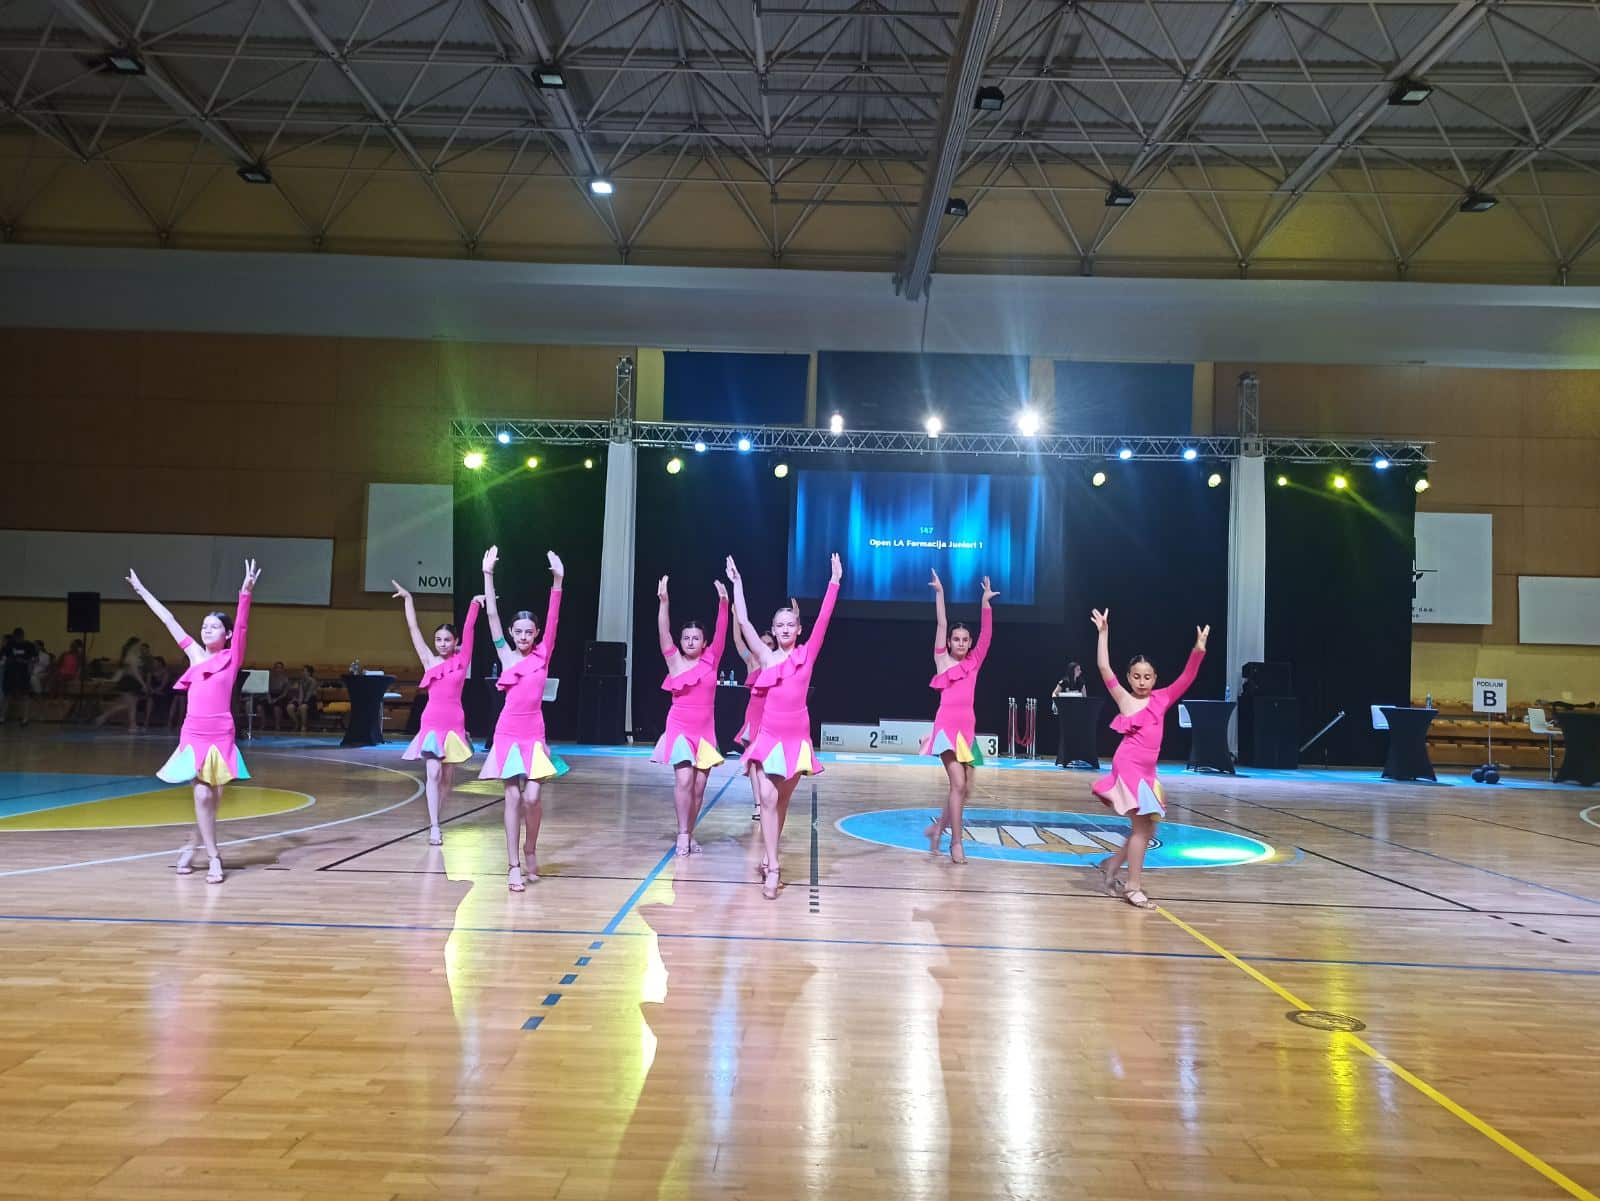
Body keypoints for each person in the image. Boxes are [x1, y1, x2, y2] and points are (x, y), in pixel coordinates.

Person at [129, 559, 261, 885]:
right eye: (204, 625)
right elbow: (168, 620)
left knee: (212, 800)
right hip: (194, 733)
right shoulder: (194, 655)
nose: (206, 629)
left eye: (214, 626)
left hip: (221, 733)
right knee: (203, 797)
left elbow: (243, 626)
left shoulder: (232, 658)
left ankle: (190, 846)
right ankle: (215, 858)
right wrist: (142, 590)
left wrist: (245, 593)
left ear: (226, 634)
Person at [727, 552, 842, 901]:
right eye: (780, 625)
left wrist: (834, 581)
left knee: (781, 802)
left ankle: (770, 852)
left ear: (798, 629)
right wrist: (737, 584)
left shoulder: (807, 655)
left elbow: (825, 618)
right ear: (774, 630)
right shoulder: (765, 657)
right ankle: (774, 867)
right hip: (769, 735)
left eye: (791, 624)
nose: (786, 629)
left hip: (796, 738)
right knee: (767, 797)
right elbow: (744, 620)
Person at [1089, 608, 1208, 910]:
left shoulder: (1163, 698)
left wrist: (1198, 649)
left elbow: (1188, 676)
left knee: (1146, 829)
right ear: (1129, 678)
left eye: (1147, 676)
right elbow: (1103, 667)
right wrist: (1103, 633)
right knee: (1143, 829)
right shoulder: (1124, 699)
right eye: (1136, 676)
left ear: (1155, 678)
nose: (1142, 681)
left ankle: (1112, 866)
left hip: (1148, 772)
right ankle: (1133, 887)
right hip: (1128, 766)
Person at [480, 546, 567, 893]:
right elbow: (491, 616)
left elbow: (555, 616)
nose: (523, 637)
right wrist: (488, 574)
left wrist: (558, 581)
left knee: (532, 798)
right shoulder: (505, 654)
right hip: (507, 732)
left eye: (529, 632)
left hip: (533, 733)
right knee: (513, 797)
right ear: (512, 633)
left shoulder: (544, 654)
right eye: (518, 632)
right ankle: (513, 865)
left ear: (536, 633)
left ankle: (531, 848)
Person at [393, 580, 483, 846]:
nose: (442, 644)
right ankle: (434, 826)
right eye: (438, 640)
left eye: (447, 640)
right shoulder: (428, 661)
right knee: (433, 773)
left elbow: (470, 629)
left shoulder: (462, 660)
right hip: (431, 722)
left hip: (454, 723)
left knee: (446, 778)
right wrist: (408, 599)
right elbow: (413, 629)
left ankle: (437, 818)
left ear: (455, 642)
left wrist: (474, 605)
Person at [920, 570, 997, 863]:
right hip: (946, 730)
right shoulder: (942, 660)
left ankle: (938, 829)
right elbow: (941, 622)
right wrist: (940, 593)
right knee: (959, 784)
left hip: (967, 731)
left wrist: (985, 604)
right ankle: (956, 843)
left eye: (965, 639)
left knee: (965, 789)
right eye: (956, 639)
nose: (961, 643)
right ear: (950, 642)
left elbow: (987, 636)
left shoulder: (974, 662)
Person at [650, 575, 730, 857]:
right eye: (686, 637)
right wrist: (664, 603)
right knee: (684, 781)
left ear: (705, 642)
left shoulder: (712, 660)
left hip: (705, 731)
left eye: (696, 638)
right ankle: (682, 834)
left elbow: (722, 631)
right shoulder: (674, 660)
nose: (690, 641)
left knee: (698, 788)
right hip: (680, 728)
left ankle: (690, 831)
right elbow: (663, 632)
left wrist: (724, 603)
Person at [731, 602, 787, 822]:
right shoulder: (751, 661)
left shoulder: (777, 662)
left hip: (771, 716)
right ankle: (758, 804)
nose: (765, 645)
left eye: (769, 643)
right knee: (754, 763)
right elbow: (738, 640)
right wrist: (735, 615)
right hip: (753, 716)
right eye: (762, 642)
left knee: (767, 763)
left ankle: (768, 802)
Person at [94, 635, 146, 731]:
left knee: (132, 704)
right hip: (129, 682)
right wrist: (143, 684)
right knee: (128, 704)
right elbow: (135, 672)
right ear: (133, 645)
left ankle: (132, 725)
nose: (139, 646)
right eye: (138, 644)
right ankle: (104, 716)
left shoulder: (131, 656)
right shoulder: (131, 657)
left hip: (131, 681)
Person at [1, 628, 37, 726]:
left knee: (24, 695)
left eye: (19, 637)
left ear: (22, 636)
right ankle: (2, 717)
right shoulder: (9, 645)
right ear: (14, 636)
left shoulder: (29, 645)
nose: (18, 639)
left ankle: (25, 718)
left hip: (23, 674)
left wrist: (25, 663)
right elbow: (3, 658)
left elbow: (34, 659)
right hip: (10, 673)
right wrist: (8, 661)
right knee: (7, 695)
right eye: (16, 637)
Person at [285, 665, 318, 733]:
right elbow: (301, 693)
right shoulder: (301, 681)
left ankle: (304, 726)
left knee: (303, 707)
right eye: (302, 671)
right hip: (302, 699)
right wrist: (298, 702)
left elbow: (309, 694)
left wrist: (301, 704)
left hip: (310, 699)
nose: (302, 672)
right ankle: (296, 723)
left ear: (309, 672)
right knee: (289, 707)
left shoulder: (313, 681)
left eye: (304, 671)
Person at [265, 661, 292, 730]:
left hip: (281, 697)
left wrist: (275, 699)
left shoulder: (285, 679)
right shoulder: (270, 678)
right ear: (274, 669)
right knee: (260, 706)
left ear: (282, 669)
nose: (278, 669)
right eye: (276, 668)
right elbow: (266, 689)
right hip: (270, 696)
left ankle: (277, 725)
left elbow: (284, 693)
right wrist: (269, 698)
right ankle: (263, 724)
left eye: (280, 668)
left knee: (276, 707)